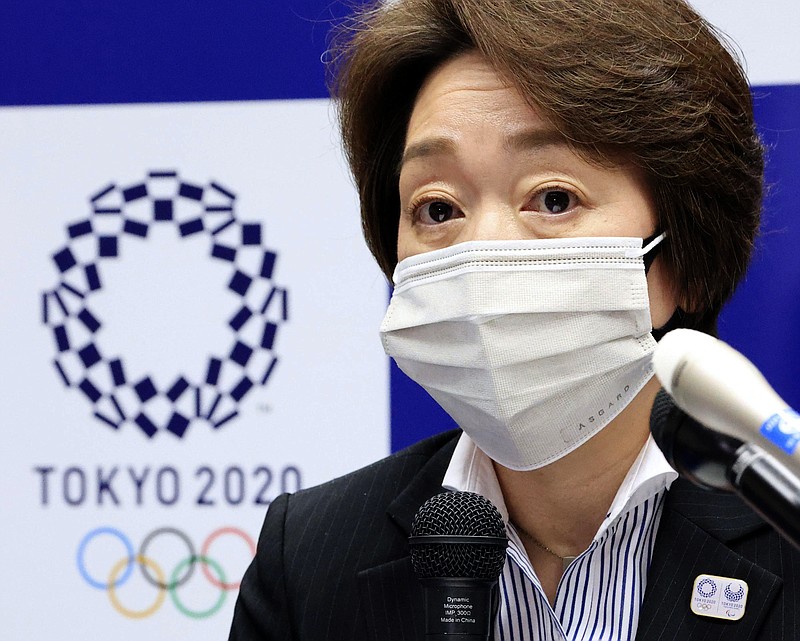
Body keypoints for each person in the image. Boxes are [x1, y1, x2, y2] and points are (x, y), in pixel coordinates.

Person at [229, 1, 796, 639]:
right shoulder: (309, 561)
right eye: (437, 208)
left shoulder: (786, 528)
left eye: (554, 199)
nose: (481, 248)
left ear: (682, 261)